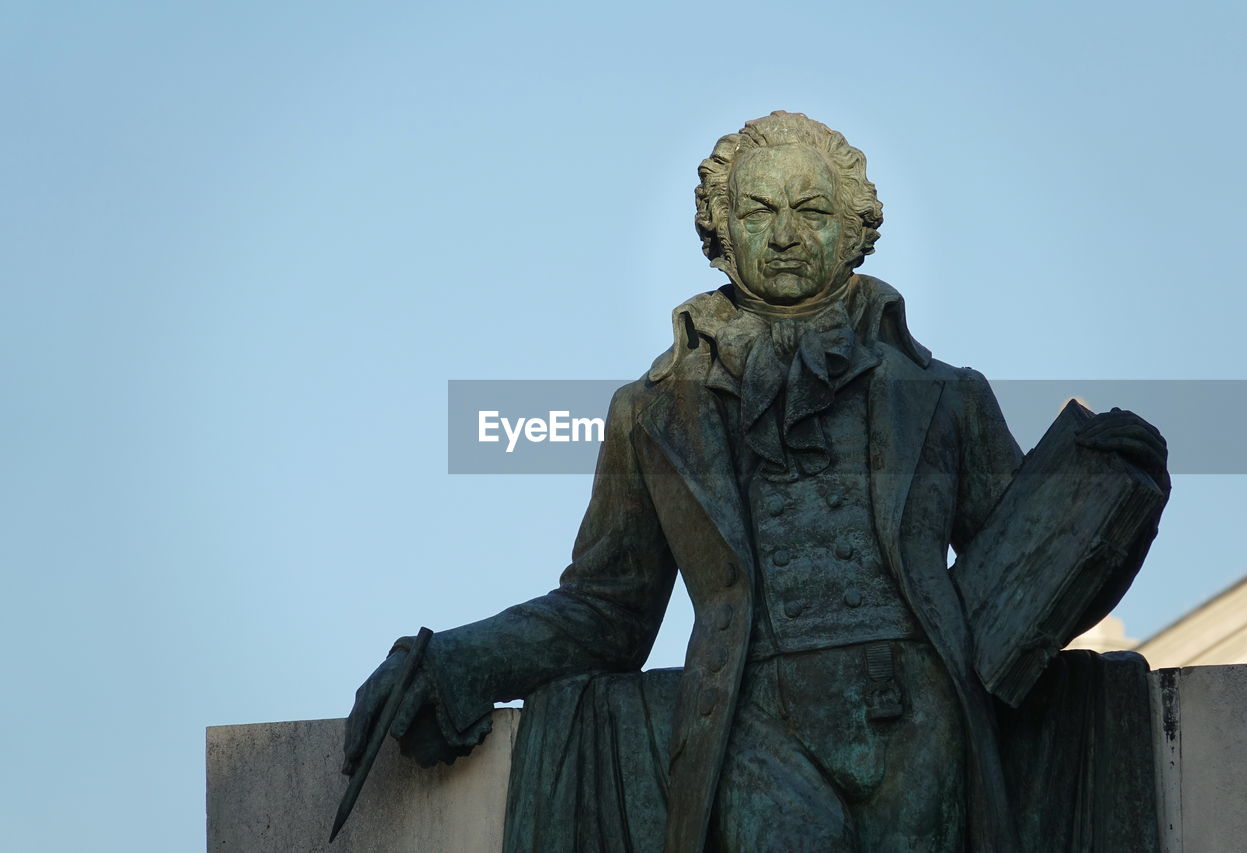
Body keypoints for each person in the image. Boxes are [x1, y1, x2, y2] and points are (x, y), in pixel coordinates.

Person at [342, 111, 1169, 851]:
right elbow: (607, 608)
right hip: (748, 720)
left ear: (854, 232)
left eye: (810, 212)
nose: (782, 236)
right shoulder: (655, 411)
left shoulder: (945, 396)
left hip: (920, 712)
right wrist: (454, 664)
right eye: (757, 211)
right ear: (720, 231)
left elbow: (1018, 585)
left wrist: (1100, 497)